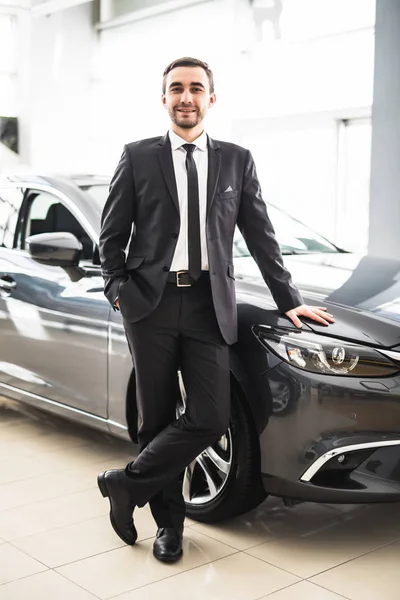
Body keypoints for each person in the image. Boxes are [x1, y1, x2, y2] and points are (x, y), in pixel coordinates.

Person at [98, 56, 335, 563]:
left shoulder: (236, 159)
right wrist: (118, 291)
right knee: (156, 418)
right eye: (177, 88)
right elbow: (111, 238)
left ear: (211, 97)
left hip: (210, 303)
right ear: (163, 98)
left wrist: (289, 302)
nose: (187, 97)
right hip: (150, 304)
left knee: (209, 416)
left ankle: (126, 484)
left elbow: (261, 236)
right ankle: (169, 528)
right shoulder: (138, 156)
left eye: (196, 88)